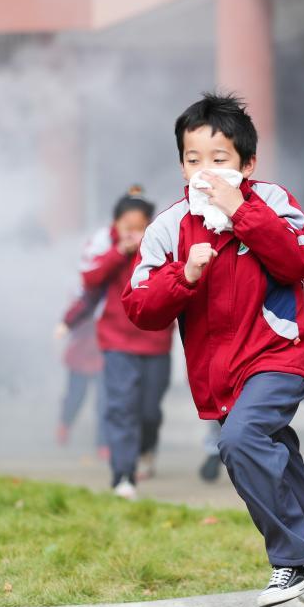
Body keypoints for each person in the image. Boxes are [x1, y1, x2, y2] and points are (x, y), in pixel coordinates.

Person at [123, 93, 304, 607]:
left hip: (277, 359)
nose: (204, 170)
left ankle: (292, 557)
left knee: (240, 442)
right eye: (193, 159)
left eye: (218, 158)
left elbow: (297, 260)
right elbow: (139, 306)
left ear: (247, 164)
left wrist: (240, 210)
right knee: (291, 482)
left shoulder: (273, 203)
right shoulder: (170, 228)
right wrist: (185, 278)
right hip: (221, 382)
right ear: (180, 165)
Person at [82, 189, 175, 499]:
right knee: (122, 407)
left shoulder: (163, 239)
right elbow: (89, 278)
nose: (133, 233)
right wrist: (118, 252)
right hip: (116, 339)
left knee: (149, 411)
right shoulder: (103, 242)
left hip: (156, 339)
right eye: (127, 226)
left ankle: (147, 448)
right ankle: (123, 475)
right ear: (116, 223)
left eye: (140, 227)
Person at [54, 286, 106, 457]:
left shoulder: (115, 290)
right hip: (80, 355)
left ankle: (103, 443)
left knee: (104, 402)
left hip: (105, 353)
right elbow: (74, 317)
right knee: (75, 396)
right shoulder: (84, 293)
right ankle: (64, 425)